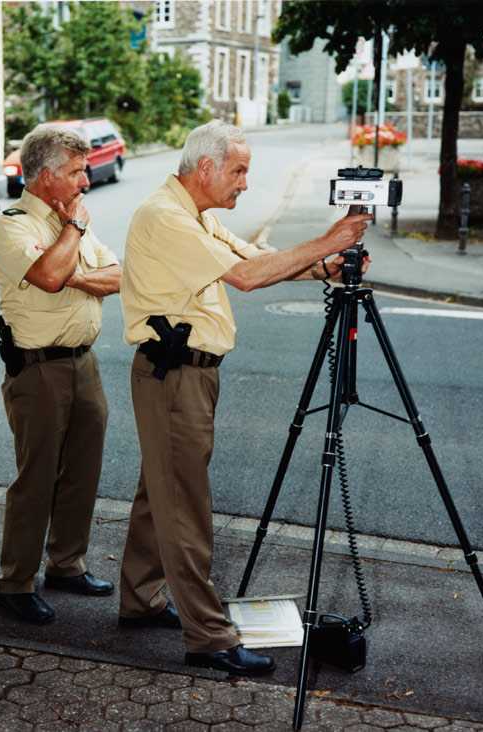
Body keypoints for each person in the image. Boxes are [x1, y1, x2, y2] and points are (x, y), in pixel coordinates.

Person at [117, 120, 372, 676]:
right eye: (239, 171)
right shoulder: (165, 216)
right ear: (205, 168)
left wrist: (324, 266)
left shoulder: (194, 213)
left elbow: (257, 256)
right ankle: (208, 636)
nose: (245, 184)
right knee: (184, 505)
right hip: (173, 374)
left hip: (185, 374)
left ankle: (140, 599)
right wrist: (330, 241)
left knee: (159, 489)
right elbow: (248, 277)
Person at [0, 124, 122, 625]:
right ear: (45, 176)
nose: (84, 181)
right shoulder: (14, 224)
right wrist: (73, 234)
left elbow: (118, 276)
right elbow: (45, 276)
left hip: (84, 363)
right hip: (38, 369)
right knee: (37, 478)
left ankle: (66, 564)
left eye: (83, 170)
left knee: (83, 471)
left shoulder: (75, 219)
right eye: (75, 172)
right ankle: (15, 582)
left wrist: (73, 273)